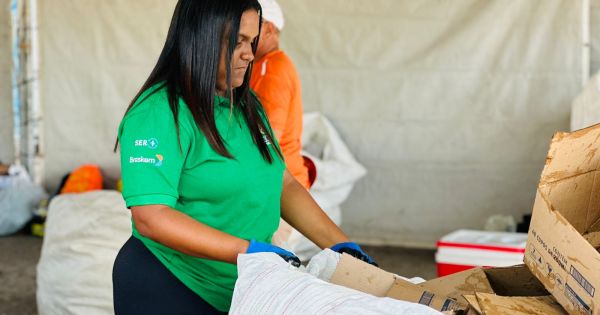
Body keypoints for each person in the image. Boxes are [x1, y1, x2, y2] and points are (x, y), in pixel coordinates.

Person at [112, 1, 376, 314]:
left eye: (251, 42)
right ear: (200, 38)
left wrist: (340, 246)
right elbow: (151, 217)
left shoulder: (246, 104)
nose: (249, 54)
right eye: (237, 42)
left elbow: (284, 184)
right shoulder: (159, 113)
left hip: (243, 286)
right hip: (172, 283)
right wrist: (248, 251)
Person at [250, 0, 310, 189]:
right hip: (280, 181)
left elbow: (267, 137)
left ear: (268, 29)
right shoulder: (261, 66)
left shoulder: (272, 68)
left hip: (281, 188)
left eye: (249, 24)